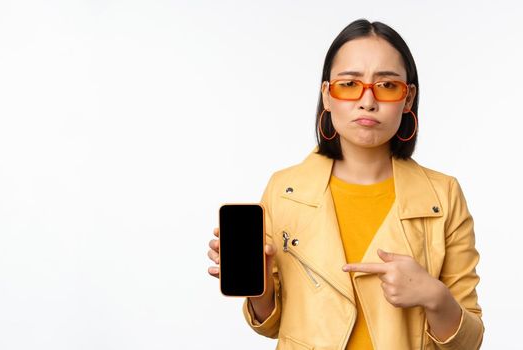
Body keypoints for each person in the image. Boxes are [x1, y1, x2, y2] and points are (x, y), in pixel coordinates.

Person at [206, 19, 484, 350]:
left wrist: (434, 296)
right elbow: (273, 326)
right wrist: (261, 289)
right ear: (326, 95)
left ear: (408, 99)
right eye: (349, 84)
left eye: (387, 86)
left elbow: (469, 342)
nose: (367, 101)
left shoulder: (443, 195)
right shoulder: (285, 190)